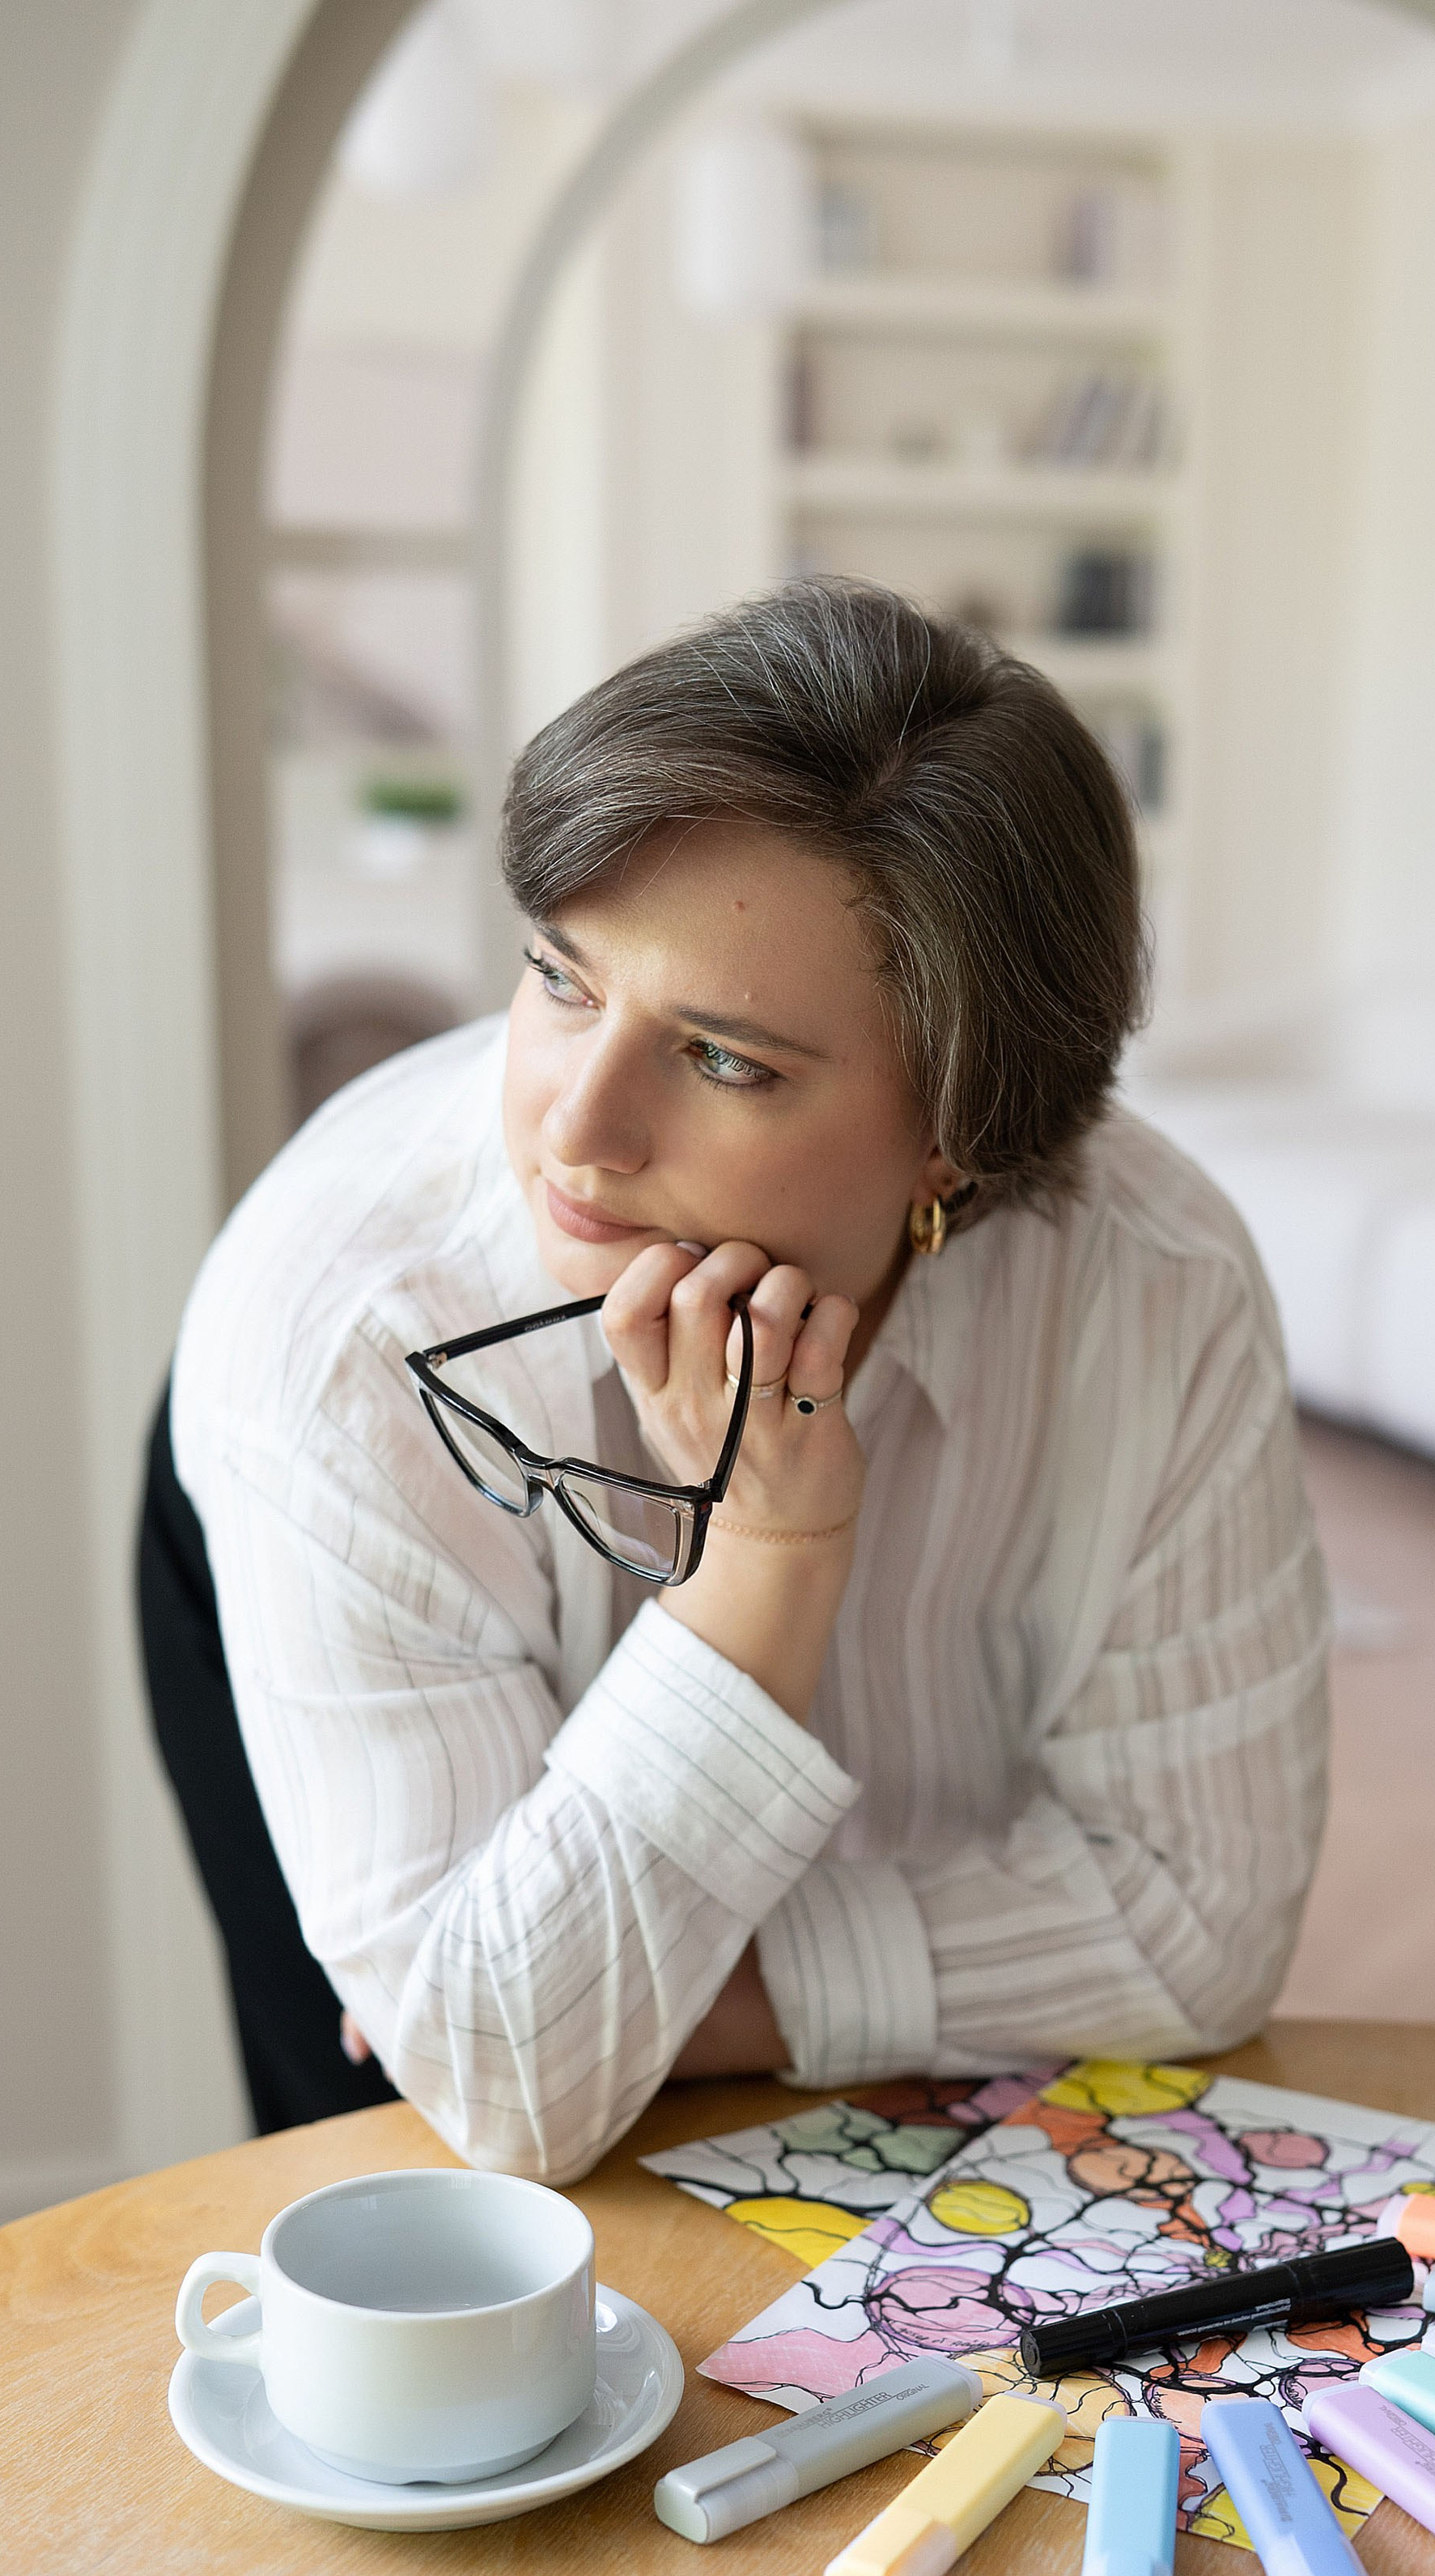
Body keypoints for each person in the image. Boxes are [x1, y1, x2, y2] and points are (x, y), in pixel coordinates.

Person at [142, 579, 1330, 2178]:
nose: (574, 1129)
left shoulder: (1153, 1289)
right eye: (561, 979)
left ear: (955, 1131)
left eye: (721, 1059)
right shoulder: (337, 1335)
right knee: (400, 2217)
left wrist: (645, 2002)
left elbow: (1201, 1923)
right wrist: (763, 1568)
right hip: (299, 1496)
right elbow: (494, 2082)